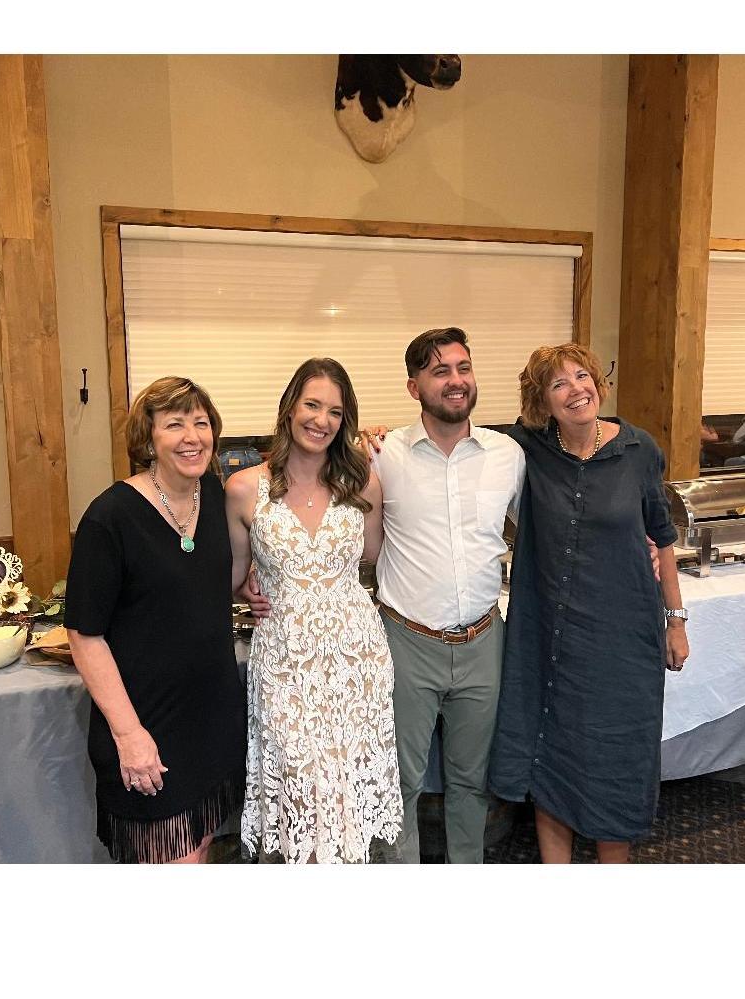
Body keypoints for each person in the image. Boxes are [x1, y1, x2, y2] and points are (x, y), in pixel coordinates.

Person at [487, 343, 689, 864]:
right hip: (550, 634)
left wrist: (676, 621)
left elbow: (661, 536)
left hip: (623, 637)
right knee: (550, 750)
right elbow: (458, 437)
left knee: (615, 756)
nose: (576, 389)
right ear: (542, 402)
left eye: (583, 376)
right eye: (559, 384)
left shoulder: (639, 449)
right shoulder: (527, 448)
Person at [225, 358, 403, 863]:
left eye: (335, 411)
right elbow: (232, 576)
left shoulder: (362, 482)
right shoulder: (244, 489)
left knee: (347, 789)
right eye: (312, 404)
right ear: (289, 408)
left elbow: (370, 556)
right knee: (298, 784)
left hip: (355, 661)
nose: (321, 420)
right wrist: (247, 590)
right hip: (285, 660)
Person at [64, 377, 247, 864]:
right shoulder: (110, 519)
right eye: (175, 424)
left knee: (201, 847)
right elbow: (84, 636)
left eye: (201, 422)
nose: (192, 436)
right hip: (148, 725)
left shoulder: (212, 494)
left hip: (210, 719)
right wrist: (128, 734)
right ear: (148, 440)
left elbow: (198, 585)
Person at [365, 327, 526, 864]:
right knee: (401, 782)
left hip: (483, 640)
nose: (456, 381)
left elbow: (552, 530)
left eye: (463, 367)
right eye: (440, 371)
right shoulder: (384, 454)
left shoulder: (508, 455)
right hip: (406, 642)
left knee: (470, 782)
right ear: (414, 387)